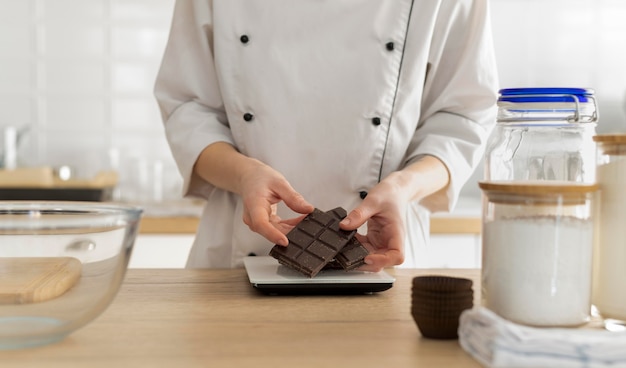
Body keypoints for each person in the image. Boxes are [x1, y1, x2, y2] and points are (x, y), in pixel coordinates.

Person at [154, 0, 498, 270]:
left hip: (382, 252)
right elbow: (188, 109)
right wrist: (244, 175)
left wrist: (403, 186)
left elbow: (462, 118)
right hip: (238, 252)